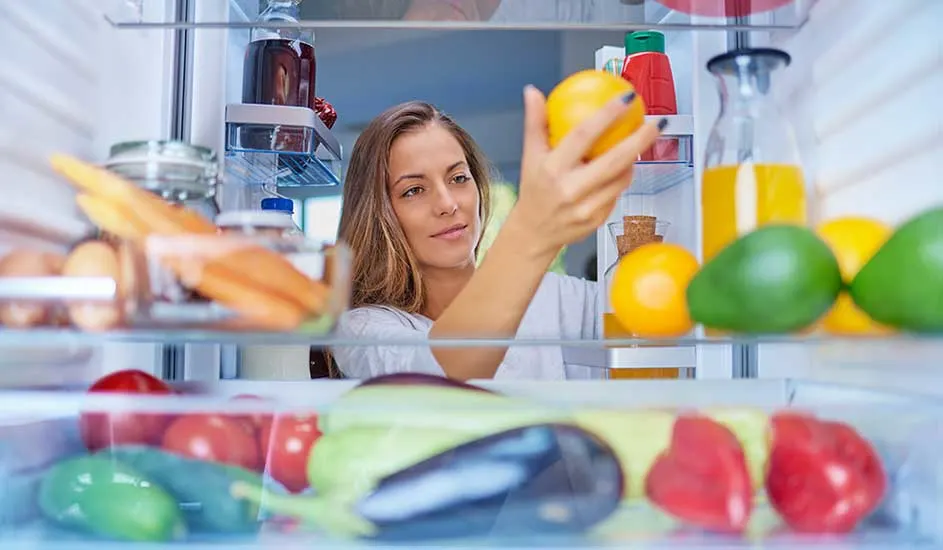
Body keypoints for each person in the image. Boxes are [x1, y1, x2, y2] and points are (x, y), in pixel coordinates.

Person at [331, 86, 664, 381]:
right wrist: (530, 230)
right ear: (378, 213)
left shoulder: (552, 297)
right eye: (414, 190)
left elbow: (658, 316)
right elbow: (440, 377)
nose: (447, 204)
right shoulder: (363, 329)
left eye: (458, 179)